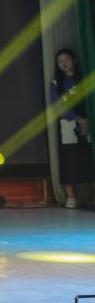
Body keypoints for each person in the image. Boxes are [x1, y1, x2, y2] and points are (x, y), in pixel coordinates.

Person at [52, 49, 94, 208]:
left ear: (74, 60)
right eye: (60, 61)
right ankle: (71, 197)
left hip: (88, 122)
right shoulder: (56, 82)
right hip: (68, 125)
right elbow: (57, 105)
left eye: (67, 59)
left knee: (89, 158)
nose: (64, 63)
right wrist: (77, 119)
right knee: (68, 160)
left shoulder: (85, 78)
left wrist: (87, 120)